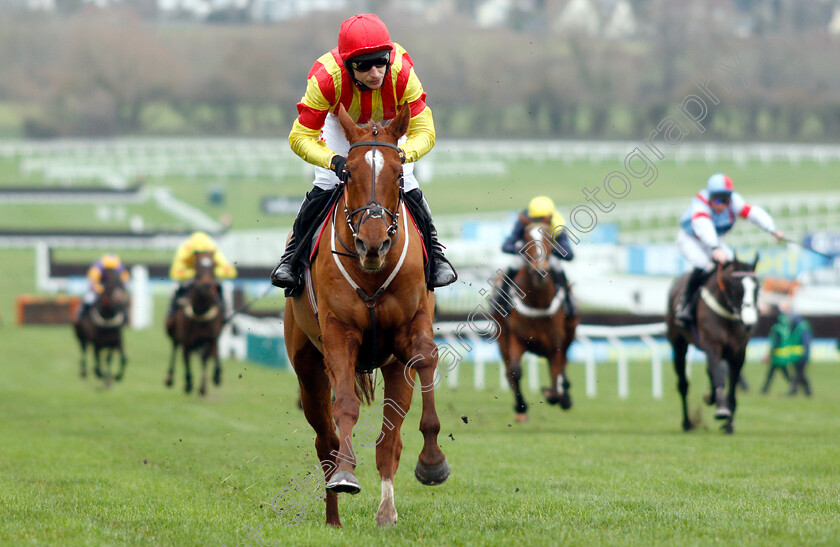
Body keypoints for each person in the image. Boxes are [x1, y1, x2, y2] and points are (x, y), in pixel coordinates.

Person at [270, 13, 456, 292]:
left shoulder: (402, 73)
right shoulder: (325, 79)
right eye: (365, 66)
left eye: (381, 62)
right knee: (327, 182)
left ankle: (437, 256)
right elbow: (299, 137)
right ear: (347, 66)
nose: (375, 73)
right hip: (342, 123)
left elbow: (425, 132)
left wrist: (403, 156)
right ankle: (292, 259)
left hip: (390, 127)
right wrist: (332, 161)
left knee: (407, 181)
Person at [675, 173, 784, 326]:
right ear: (710, 197)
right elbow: (703, 226)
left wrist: (772, 229)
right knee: (704, 265)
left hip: (711, 241)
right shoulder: (700, 204)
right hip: (690, 239)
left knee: (732, 264)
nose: (722, 205)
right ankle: (685, 305)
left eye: (726, 200)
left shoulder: (734, 202)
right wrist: (714, 248)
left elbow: (753, 214)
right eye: (718, 200)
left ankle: (736, 305)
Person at [493, 195, 576, 316]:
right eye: (535, 219)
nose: (538, 222)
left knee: (557, 267)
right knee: (513, 266)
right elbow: (506, 246)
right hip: (527, 255)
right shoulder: (523, 221)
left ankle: (569, 304)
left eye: (542, 219)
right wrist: (523, 249)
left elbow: (569, 254)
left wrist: (548, 249)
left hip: (547, 256)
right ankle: (501, 303)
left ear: (549, 217)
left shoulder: (558, 224)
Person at [167, 232, 237, 324]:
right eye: (198, 254)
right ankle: (171, 316)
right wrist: (194, 273)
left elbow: (231, 271)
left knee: (227, 287)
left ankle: (228, 316)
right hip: (190, 278)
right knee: (174, 287)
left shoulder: (212, 248)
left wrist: (210, 273)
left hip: (209, 276)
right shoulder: (185, 249)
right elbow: (174, 273)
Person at [763, 303, 812, 396]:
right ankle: (805, 392)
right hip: (795, 355)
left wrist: (804, 355)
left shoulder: (801, 326)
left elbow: (805, 343)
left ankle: (796, 391)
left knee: (799, 374)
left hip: (799, 355)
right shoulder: (793, 326)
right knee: (799, 374)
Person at [75, 253, 130, 322]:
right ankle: (81, 315)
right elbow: (92, 283)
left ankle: (125, 317)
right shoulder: (96, 268)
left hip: (111, 289)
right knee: (89, 298)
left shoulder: (120, 269)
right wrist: (101, 289)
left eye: (112, 269)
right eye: (108, 269)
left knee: (122, 300)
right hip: (98, 287)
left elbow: (125, 283)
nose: (110, 271)